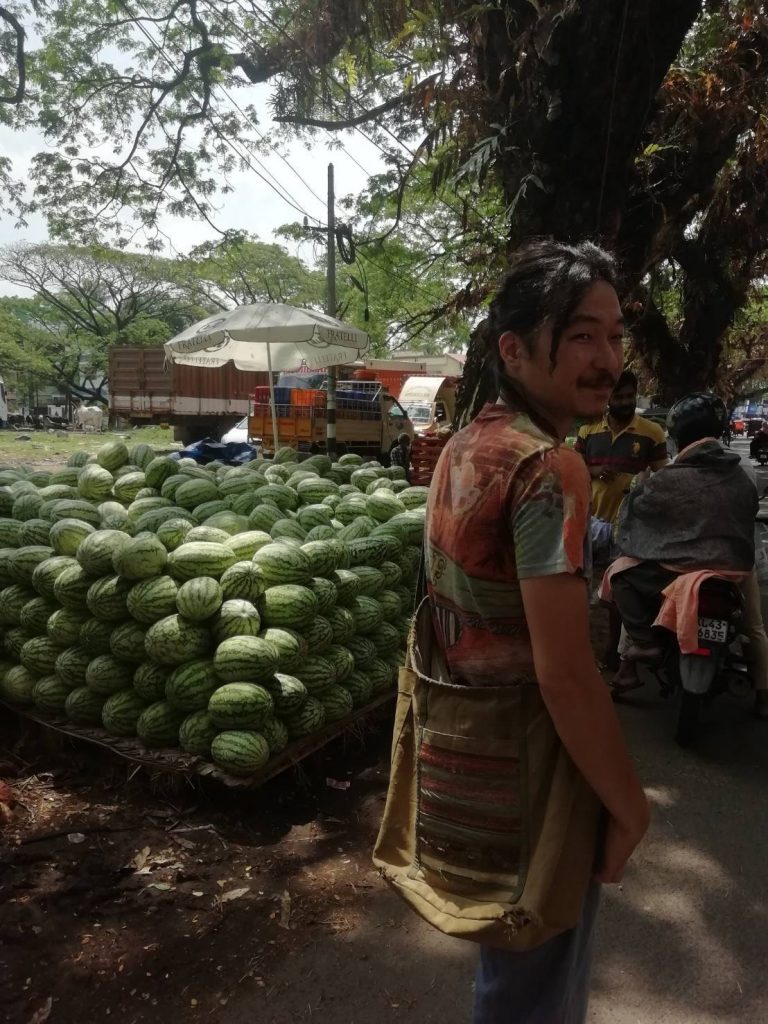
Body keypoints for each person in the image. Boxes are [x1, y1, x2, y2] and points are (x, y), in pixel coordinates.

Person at [424, 240, 649, 1023]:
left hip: (466, 765)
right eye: (582, 334)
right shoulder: (551, 469)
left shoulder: (464, 445)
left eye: (615, 335)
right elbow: (566, 674)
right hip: (534, 778)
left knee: (511, 979)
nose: (607, 358)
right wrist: (630, 806)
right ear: (513, 349)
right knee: (536, 996)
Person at [608, 393, 768, 716]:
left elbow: (639, 515)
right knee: (755, 629)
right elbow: (748, 510)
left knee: (621, 574)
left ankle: (636, 655)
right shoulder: (744, 472)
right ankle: (764, 694)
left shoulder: (669, 476)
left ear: (678, 435)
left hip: (680, 568)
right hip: (735, 567)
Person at [574, 371, 668, 672]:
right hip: (590, 521)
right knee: (581, 586)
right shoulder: (588, 431)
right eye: (619, 397)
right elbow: (575, 468)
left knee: (616, 592)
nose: (625, 402)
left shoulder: (652, 432)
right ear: (608, 398)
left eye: (629, 396)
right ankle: (581, 650)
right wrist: (594, 472)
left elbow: (663, 478)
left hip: (628, 526)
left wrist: (640, 485)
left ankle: (614, 654)